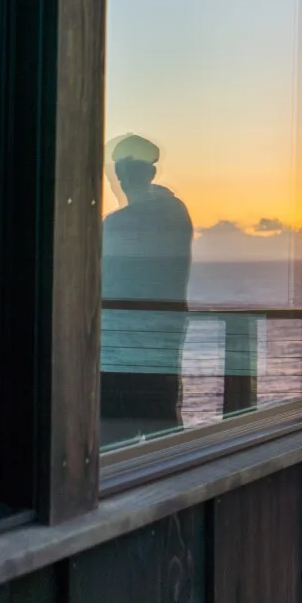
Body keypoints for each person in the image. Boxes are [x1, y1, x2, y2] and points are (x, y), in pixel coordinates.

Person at [101, 134, 194, 444]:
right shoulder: (175, 212)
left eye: (128, 171)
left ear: (149, 174)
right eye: (118, 172)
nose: (121, 180)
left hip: (119, 352)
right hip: (159, 349)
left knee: (112, 442)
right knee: (163, 432)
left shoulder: (118, 225)